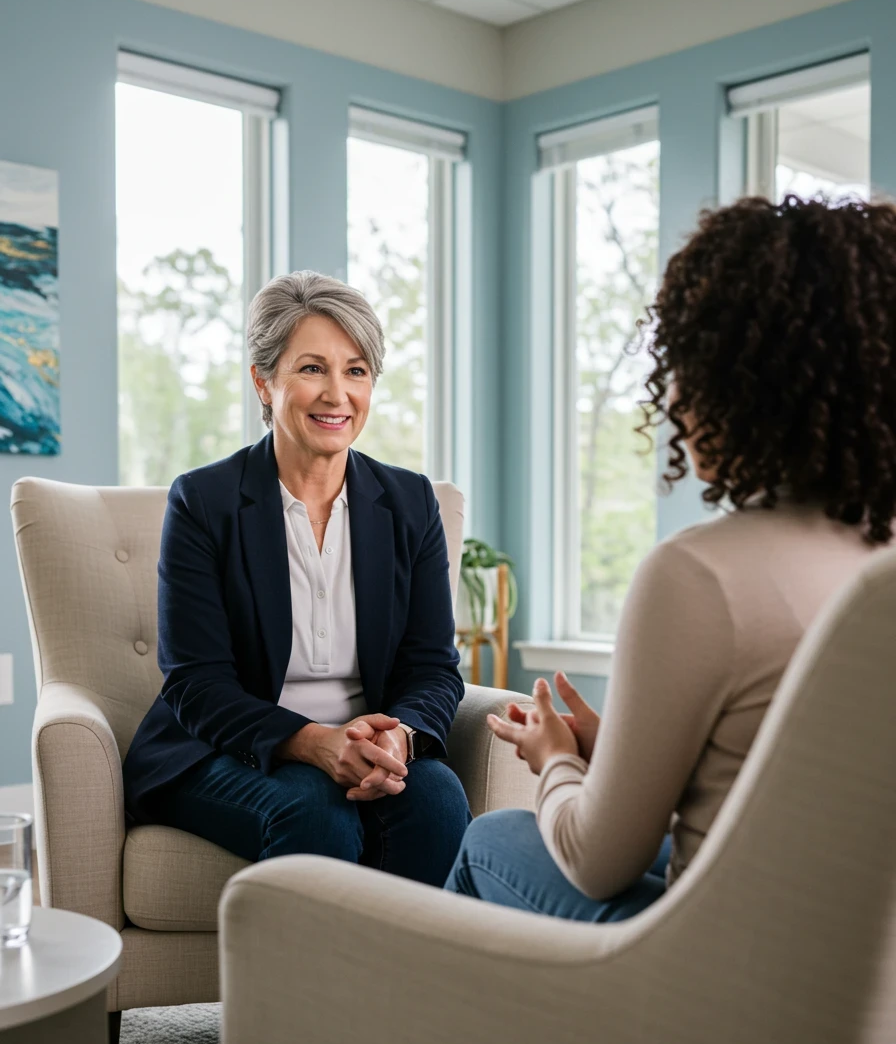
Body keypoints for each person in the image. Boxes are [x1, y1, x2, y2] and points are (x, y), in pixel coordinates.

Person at [446, 194, 896, 920]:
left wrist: (555, 758)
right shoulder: (876, 560)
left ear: (747, 382)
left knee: (494, 838)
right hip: (848, 972)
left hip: (713, 985)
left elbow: (596, 863)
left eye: (686, 364)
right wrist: (616, 748)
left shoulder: (701, 577)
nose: (675, 400)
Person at [124, 271, 470, 886]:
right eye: (312, 368)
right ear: (265, 381)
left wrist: (401, 740)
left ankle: (410, 985)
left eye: (356, 371)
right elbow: (195, 681)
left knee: (437, 799)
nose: (337, 394)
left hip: (369, 740)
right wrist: (312, 743)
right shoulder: (203, 501)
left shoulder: (412, 503)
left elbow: (432, 666)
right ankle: (301, 986)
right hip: (227, 751)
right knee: (315, 811)